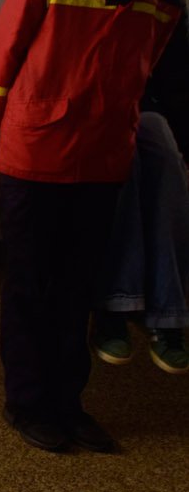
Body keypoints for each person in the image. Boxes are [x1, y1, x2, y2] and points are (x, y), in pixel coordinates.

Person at [0, 0, 188, 453]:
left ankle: (68, 404)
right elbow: (2, 58)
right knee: (31, 286)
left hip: (103, 156)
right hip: (35, 152)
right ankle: (27, 404)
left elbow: (160, 63)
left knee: (78, 289)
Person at [92, 109, 189, 373]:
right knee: (123, 155)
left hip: (147, 109)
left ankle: (168, 314)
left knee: (165, 154)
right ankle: (115, 305)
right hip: (92, 112)